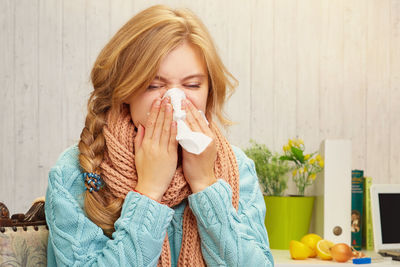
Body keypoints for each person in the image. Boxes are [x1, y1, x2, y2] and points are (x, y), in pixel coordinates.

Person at [45, 4, 274, 267]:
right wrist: (149, 191)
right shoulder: (76, 172)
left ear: (210, 91)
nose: (174, 99)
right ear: (124, 90)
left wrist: (206, 184)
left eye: (192, 85)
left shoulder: (237, 167)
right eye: (154, 85)